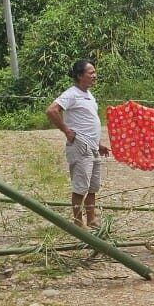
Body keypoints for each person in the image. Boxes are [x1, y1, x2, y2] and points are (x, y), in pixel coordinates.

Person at [46, 60, 109, 229]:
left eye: (95, 72)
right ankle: (78, 222)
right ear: (80, 76)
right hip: (80, 146)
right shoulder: (71, 94)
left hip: (92, 147)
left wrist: (99, 144)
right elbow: (52, 110)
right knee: (81, 186)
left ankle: (91, 218)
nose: (94, 75)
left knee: (92, 186)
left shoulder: (89, 95)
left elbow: (87, 122)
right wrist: (66, 130)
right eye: (91, 73)